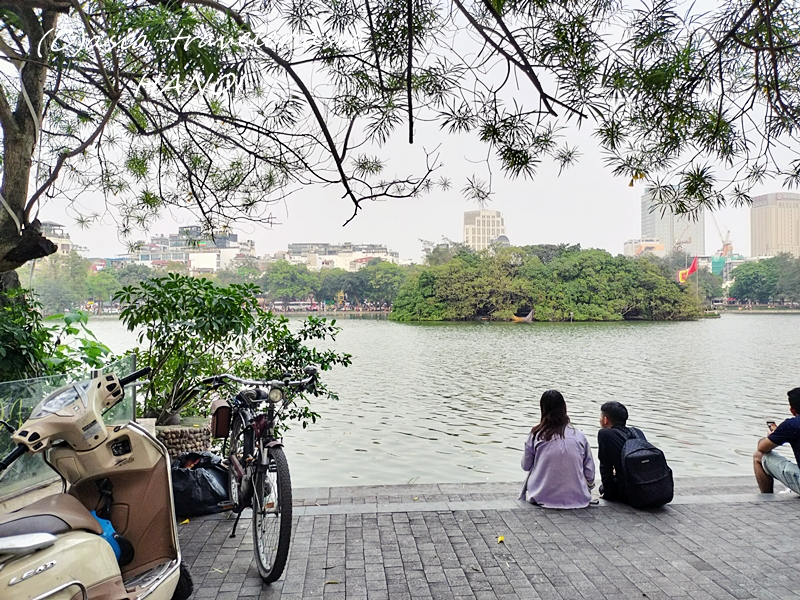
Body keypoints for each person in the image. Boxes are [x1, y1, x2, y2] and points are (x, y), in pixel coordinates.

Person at [519, 390, 595, 509]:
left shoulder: (536, 434)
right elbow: (590, 472)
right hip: (578, 498)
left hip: (541, 496)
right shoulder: (579, 435)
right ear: (564, 407)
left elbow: (526, 466)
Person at [597, 401, 646, 503]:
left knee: (602, 488)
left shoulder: (605, 434)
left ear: (605, 420)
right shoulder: (637, 432)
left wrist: (607, 494)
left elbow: (605, 467)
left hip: (629, 492)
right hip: (647, 485)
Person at [754, 387, 800, 494]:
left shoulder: (792, 425)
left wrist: (771, 436)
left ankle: (767, 498)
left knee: (758, 456)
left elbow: (762, 448)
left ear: (792, 411)